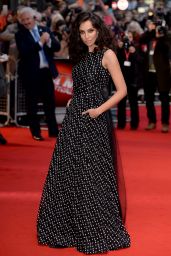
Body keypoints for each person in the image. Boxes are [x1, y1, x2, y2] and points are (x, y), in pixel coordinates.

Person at [37, 11, 131, 254]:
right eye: (82, 32)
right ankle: (68, 229)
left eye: (91, 30)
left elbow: (121, 91)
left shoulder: (108, 54)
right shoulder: (78, 54)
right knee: (68, 171)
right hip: (74, 119)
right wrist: (72, 101)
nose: (87, 36)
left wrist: (99, 110)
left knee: (93, 174)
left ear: (99, 29)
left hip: (95, 119)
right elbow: (79, 86)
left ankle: (94, 229)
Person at [15, 7, 60, 141]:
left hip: (46, 72)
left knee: (50, 103)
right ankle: (36, 132)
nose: (26, 22)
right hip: (30, 74)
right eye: (23, 20)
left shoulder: (44, 29)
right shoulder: (20, 35)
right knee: (32, 105)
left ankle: (53, 131)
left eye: (28, 19)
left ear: (34, 18)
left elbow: (56, 47)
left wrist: (49, 40)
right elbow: (25, 52)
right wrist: (40, 42)